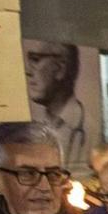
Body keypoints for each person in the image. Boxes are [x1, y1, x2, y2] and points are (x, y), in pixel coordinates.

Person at [22, 38, 88, 167]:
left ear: (60, 68)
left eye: (35, 59)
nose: (28, 71)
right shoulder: (38, 126)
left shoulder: (89, 128)